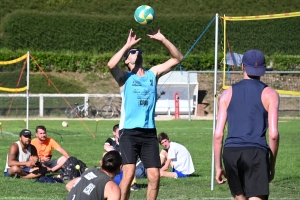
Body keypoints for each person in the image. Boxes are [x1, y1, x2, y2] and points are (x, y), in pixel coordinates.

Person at [107, 28, 183, 200]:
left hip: (149, 133)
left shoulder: (152, 74)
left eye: (138, 50)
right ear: (127, 60)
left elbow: (178, 58)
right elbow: (111, 65)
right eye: (132, 52)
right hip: (129, 133)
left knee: (155, 176)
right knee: (129, 174)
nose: (137, 52)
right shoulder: (124, 77)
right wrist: (127, 45)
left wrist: (163, 39)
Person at [214, 49, 280, 200]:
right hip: (256, 152)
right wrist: (272, 163)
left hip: (231, 153)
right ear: (263, 69)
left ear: (243, 66)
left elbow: (218, 135)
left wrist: (218, 167)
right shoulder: (271, 94)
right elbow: (274, 134)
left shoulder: (226, 94)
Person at [104, 124, 147, 191]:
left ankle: (133, 184)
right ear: (114, 133)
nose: (121, 133)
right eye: (119, 132)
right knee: (105, 155)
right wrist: (117, 153)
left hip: (134, 164)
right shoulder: (111, 140)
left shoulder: (126, 140)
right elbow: (106, 147)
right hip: (118, 163)